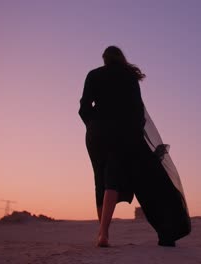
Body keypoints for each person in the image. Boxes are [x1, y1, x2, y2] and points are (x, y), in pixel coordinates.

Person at [79, 46, 190, 248]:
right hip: (123, 133)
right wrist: (134, 133)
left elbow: (84, 107)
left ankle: (103, 233)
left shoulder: (94, 74)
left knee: (100, 179)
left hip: (96, 134)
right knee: (112, 178)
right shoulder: (129, 76)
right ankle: (105, 234)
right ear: (120, 58)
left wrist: (94, 124)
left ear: (104, 59)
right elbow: (137, 110)